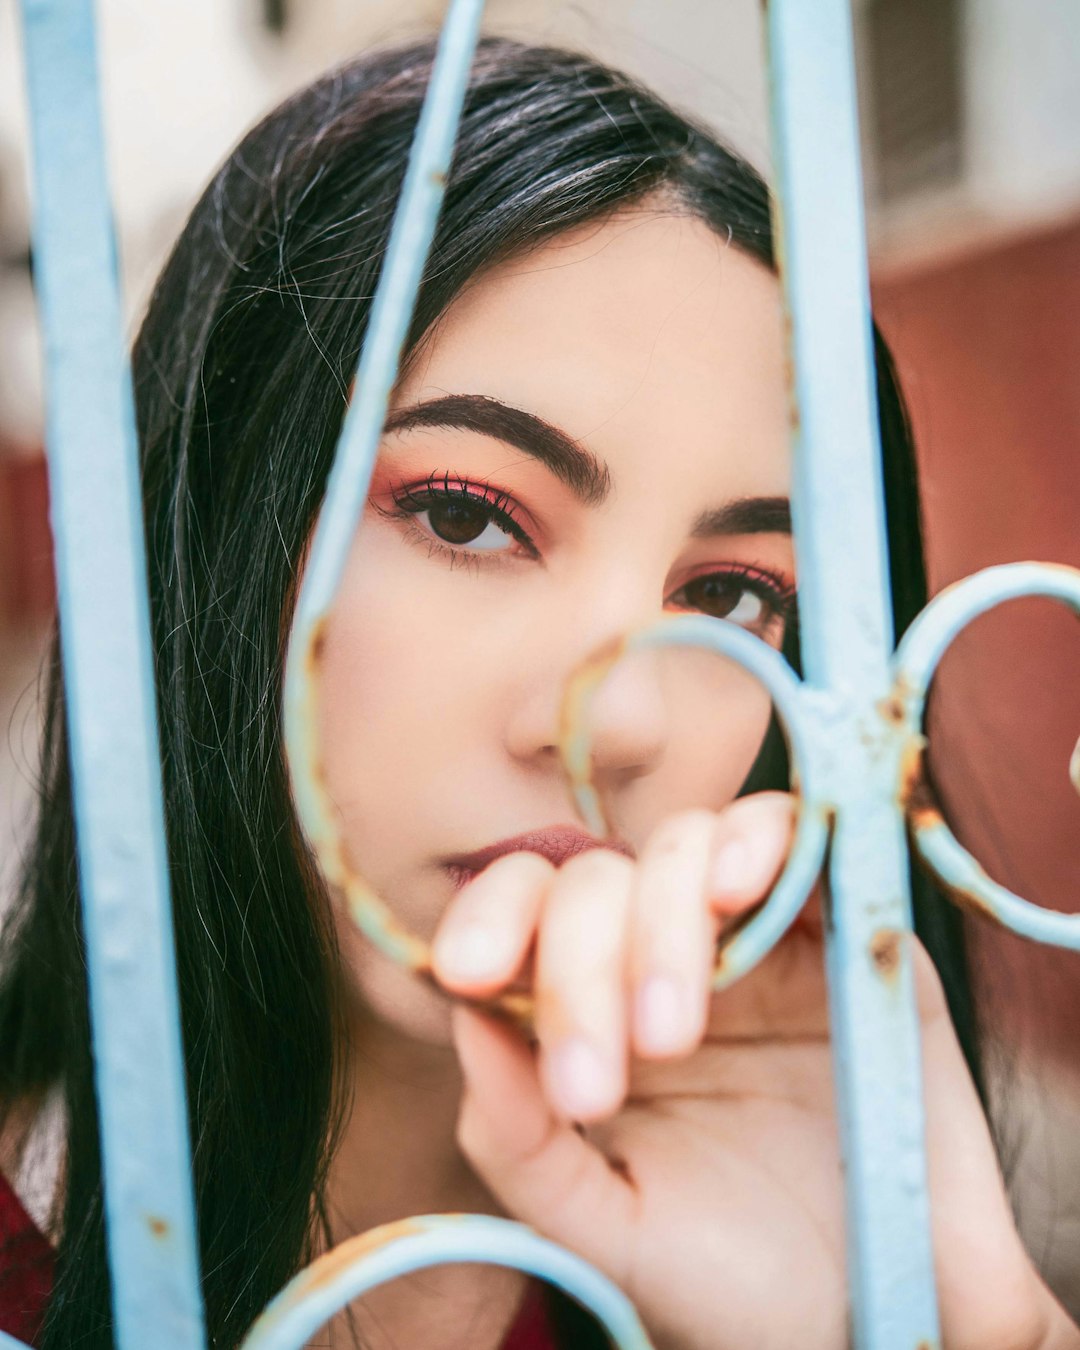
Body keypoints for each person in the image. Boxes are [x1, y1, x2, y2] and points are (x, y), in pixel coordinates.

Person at [0, 35, 1076, 1350]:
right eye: (466, 513)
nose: (622, 724)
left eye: (734, 597)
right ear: (216, 535)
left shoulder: (762, 1248)